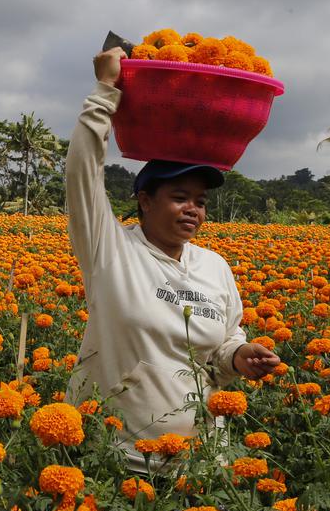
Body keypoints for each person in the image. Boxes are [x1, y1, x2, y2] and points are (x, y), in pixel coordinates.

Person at [65, 46, 279, 472]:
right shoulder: (111, 250)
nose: (193, 210)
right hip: (118, 461)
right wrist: (105, 91)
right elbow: (82, 175)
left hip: (200, 463)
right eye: (179, 198)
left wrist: (240, 357)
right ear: (145, 200)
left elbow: (222, 347)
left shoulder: (214, 266)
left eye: (200, 201)